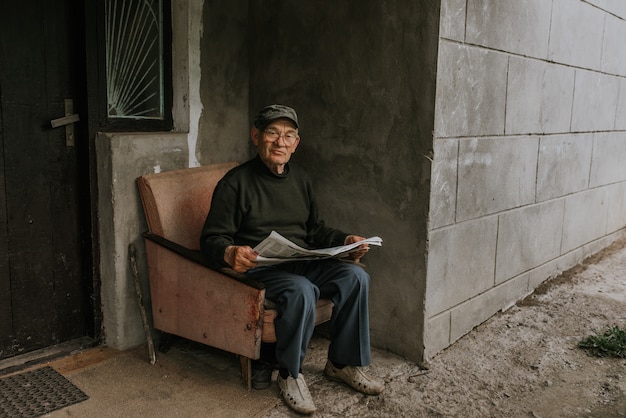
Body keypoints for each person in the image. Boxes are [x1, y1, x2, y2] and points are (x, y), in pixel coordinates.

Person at [200, 104, 384, 414]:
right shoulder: (235, 183)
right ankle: (289, 374)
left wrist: (345, 241)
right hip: (263, 268)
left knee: (356, 276)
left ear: (296, 143)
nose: (280, 142)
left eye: (288, 135)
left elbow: (314, 230)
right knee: (301, 289)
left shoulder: (302, 180)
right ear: (256, 136)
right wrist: (230, 252)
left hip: (302, 259)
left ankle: (342, 364)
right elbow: (210, 239)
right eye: (272, 133)